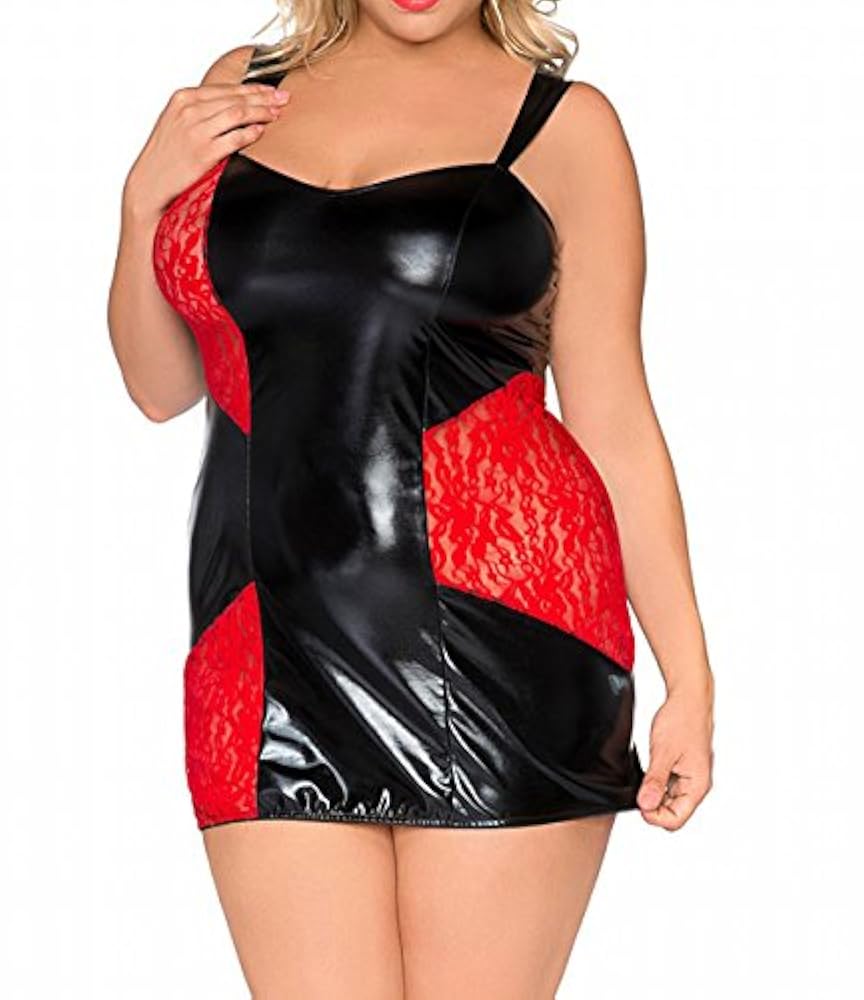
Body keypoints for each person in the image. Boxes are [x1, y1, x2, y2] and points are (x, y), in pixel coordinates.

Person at [107, 1, 715, 996]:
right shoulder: (240, 90)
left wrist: (688, 673)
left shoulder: (566, 126)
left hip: (503, 645)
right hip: (262, 649)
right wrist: (143, 204)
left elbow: (612, 416)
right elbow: (159, 385)